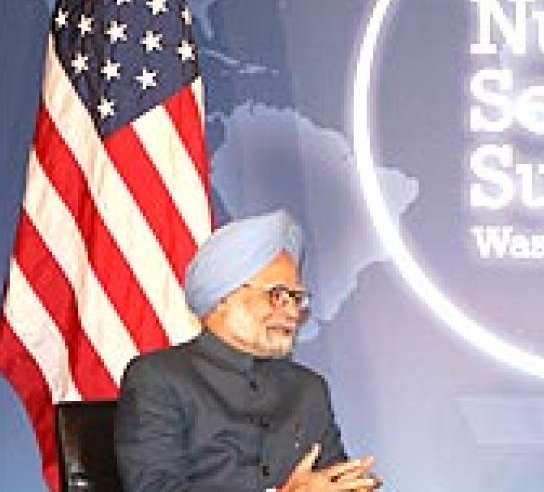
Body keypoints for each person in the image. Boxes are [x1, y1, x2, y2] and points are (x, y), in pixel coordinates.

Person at [115, 209, 381, 491]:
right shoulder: (159, 378)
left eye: (296, 298)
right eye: (277, 295)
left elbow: (331, 480)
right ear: (223, 297)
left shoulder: (308, 388)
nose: (292, 312)